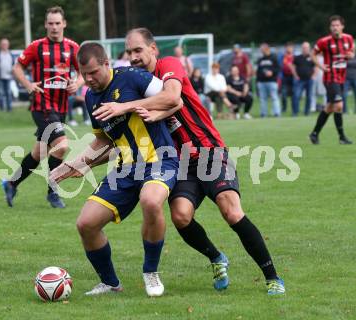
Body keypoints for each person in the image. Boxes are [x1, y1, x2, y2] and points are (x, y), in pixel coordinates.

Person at [92, 28, 285, 295]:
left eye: (138, 50)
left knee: (231, 211)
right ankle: (217, 258)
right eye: (129, 52)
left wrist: (125, 106)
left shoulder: (168, 66)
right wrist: (80, 164)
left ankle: (272, 277)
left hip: (208, 151)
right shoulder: (131, 83)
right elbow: (119, 139)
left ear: (153, 49)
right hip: (177, 161)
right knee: (181, 216)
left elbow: (172, 97)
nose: (134, 56)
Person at [50, 42, 181, 296]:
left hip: (160, 159)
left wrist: (125, 106)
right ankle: (111, 283)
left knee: (151, 201)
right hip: (126, 169)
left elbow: (173, 97)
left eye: (94, 72)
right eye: (84, 74)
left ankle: (150, 272)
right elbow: (103, 141)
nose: (89, 79)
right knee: (86, 223)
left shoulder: (133, 77)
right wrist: (73, 164)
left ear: (107, 64)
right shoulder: (91, 97)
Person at [1, 6, 84, 208]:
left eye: (58, 23)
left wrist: (78, 83)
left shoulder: (73, 48)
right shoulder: (37, 47)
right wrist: (28, 85)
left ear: (64, 24)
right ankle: (53, 192)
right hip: (42, 106)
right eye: (51, 23)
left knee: (39, 153)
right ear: (46, 24)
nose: (54, 27)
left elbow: (83, 72)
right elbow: (17, 67)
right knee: (62, 146)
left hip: (61, 107)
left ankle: (11, 183)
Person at [309, 15, 354, 145]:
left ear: (342, 26)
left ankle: (314, 134)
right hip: (330, 78)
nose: (335, 28)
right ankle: (342, 137)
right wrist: (320, 66)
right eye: (332, 25)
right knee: (339, 105)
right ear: (330, 27)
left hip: (342, 77)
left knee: (329, 107)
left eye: (337, 25)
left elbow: (351, 53)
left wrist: (351, 55)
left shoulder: (348, 38)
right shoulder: (324, 41)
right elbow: (313, 54)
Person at [291, 42, 316, 116]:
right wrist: (295, 76)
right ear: (302, 48)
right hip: (299, 80)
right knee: (296, 95)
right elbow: (293, 67)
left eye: (307, 47)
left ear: (309, 48)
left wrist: (314, 76)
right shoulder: (297, 57)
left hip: (309, 80)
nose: (305, 49)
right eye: (304, 47)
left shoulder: (312, 57)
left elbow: (316, 67)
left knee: (309, 96)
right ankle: (295, 112)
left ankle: (307, 112)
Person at [256, 43, 281, 117]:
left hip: (272, 81)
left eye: (262, 49)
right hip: (262, 82)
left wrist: (272, 72)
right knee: (263, 99)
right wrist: (259, 80)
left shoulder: (273, 58)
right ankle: (263, 114)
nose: (261, 50)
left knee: (274, 98)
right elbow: (258, 71)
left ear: (267, 49)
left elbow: (278, 69)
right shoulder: (260, 59)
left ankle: (277, 113)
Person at [0, 38, 15, 112]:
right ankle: (2, 108)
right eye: (3, 44)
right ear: (0, 45)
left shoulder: (10, 54)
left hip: (9, 76)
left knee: (8, 92)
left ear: (8, 45)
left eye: (6, 44)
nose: (5, 45)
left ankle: (9, 108)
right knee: (1, 93)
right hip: (0, 76)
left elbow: (13, 65)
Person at [279, 43, 295, 113]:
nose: (289, 49)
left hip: (293, 77)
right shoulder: (282, 57)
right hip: (284, 77)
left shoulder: (295, 57)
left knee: (293, 94)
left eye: (290, 47)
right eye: (288, 47)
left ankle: (294, 108)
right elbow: (279, 66)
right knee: (284, 94)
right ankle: (284, 108)